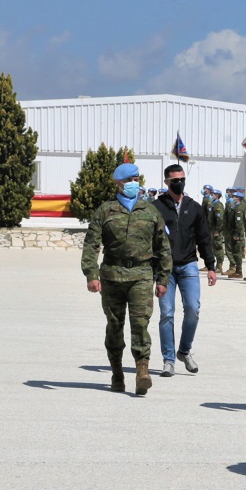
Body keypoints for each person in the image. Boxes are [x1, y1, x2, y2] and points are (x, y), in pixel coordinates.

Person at [81, 161, 171, 396]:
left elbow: (163, 247)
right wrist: (91, 274)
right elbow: (91, 244)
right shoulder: (105, 210)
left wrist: (163, 279)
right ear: (118, 183)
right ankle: (117, 372)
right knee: (115, 325)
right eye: (129, 180)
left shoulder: (150, 211)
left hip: (141, 275)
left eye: (136, 179)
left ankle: (142, 371)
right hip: (111, 276)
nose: (134, 183)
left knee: (141, 323)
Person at [151, 164, 219, 378]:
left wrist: (210, 266)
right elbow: (149, 239)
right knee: (167, 313)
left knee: (192, 309)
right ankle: (168, 360)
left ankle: (184, 351)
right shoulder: (156, 208)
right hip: (165, 268)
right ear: (166, 183)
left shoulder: (194, 207)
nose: (179, 183)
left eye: (182, 179)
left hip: (189, 264)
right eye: (174, 180)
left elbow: (204, 238)